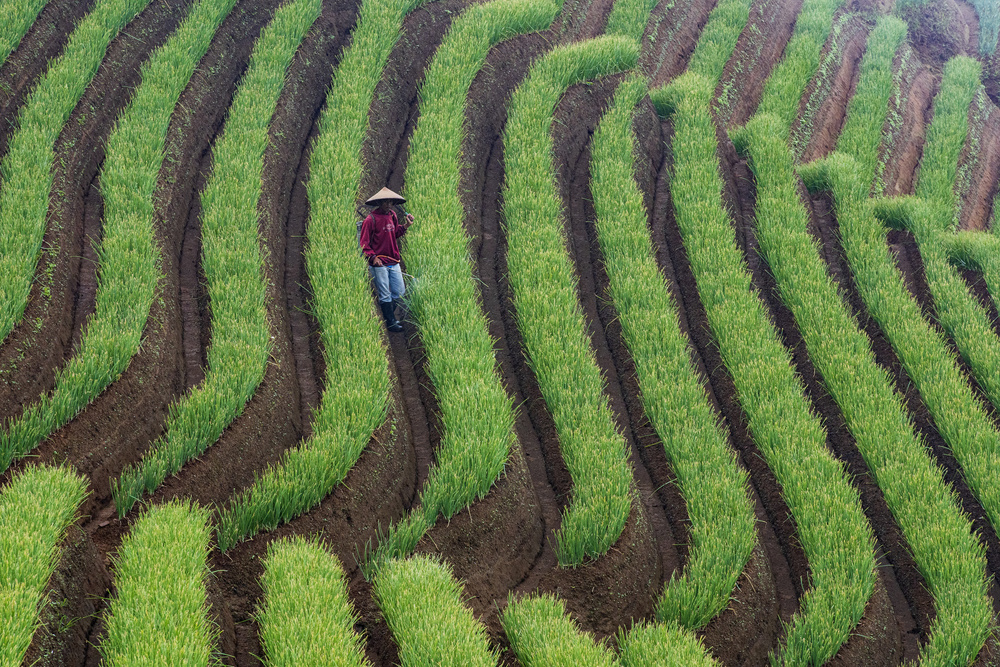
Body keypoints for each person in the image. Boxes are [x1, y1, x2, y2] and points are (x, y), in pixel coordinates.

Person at [359, 187, 414, 332]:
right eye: (385, 202)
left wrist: (406, 226)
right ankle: (390, 323)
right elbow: (364, 243)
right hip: (379, 263)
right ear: (379, 203)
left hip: (393, 260)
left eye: (390, 202)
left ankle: (386, 315)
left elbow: (394, 233)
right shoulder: (370, 220)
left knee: (399, 292)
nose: (388, 205)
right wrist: (373, 257)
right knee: (385, 293)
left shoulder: (393, 216)